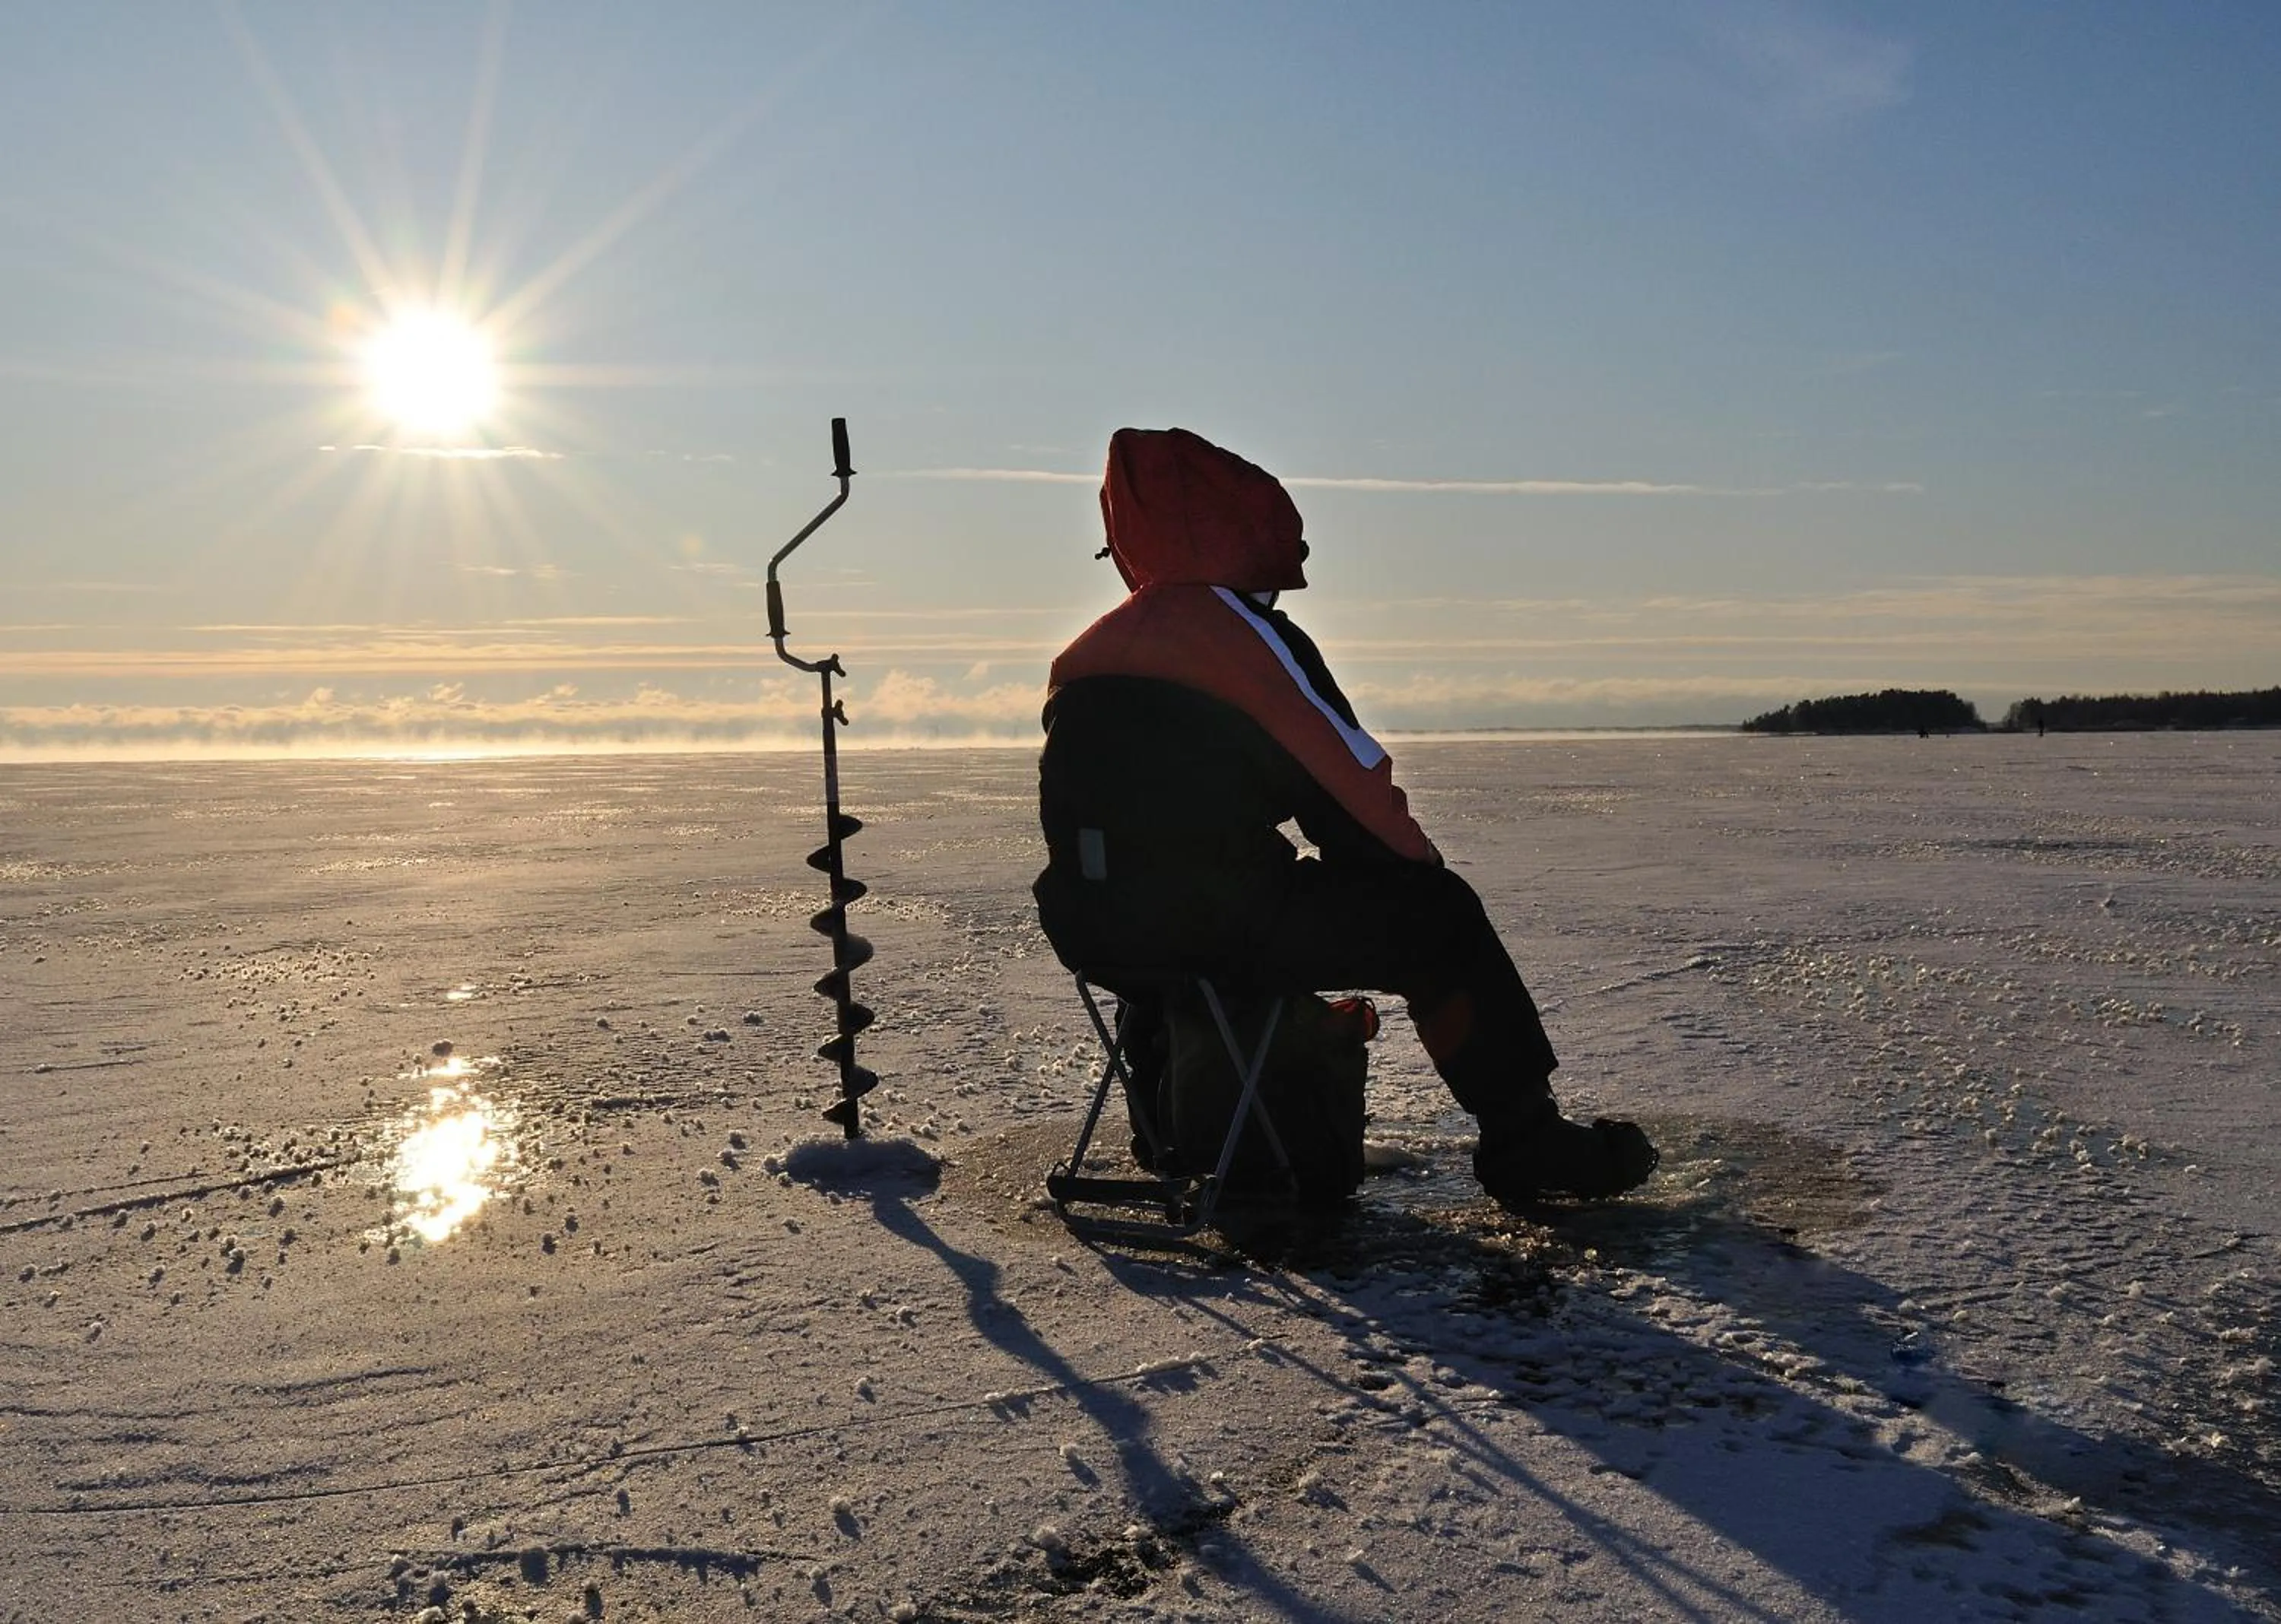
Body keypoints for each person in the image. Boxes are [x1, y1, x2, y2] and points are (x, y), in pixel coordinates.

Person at [1031, 427, 1659, 1207]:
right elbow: (1351, 800)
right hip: (1218, 925)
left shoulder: (1085, 658)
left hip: (1097, 932)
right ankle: (1525, 1140)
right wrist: (1414, 880)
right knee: (1442, 918)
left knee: (1172, 908)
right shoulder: (1242, 643)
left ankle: (1168, 1123)